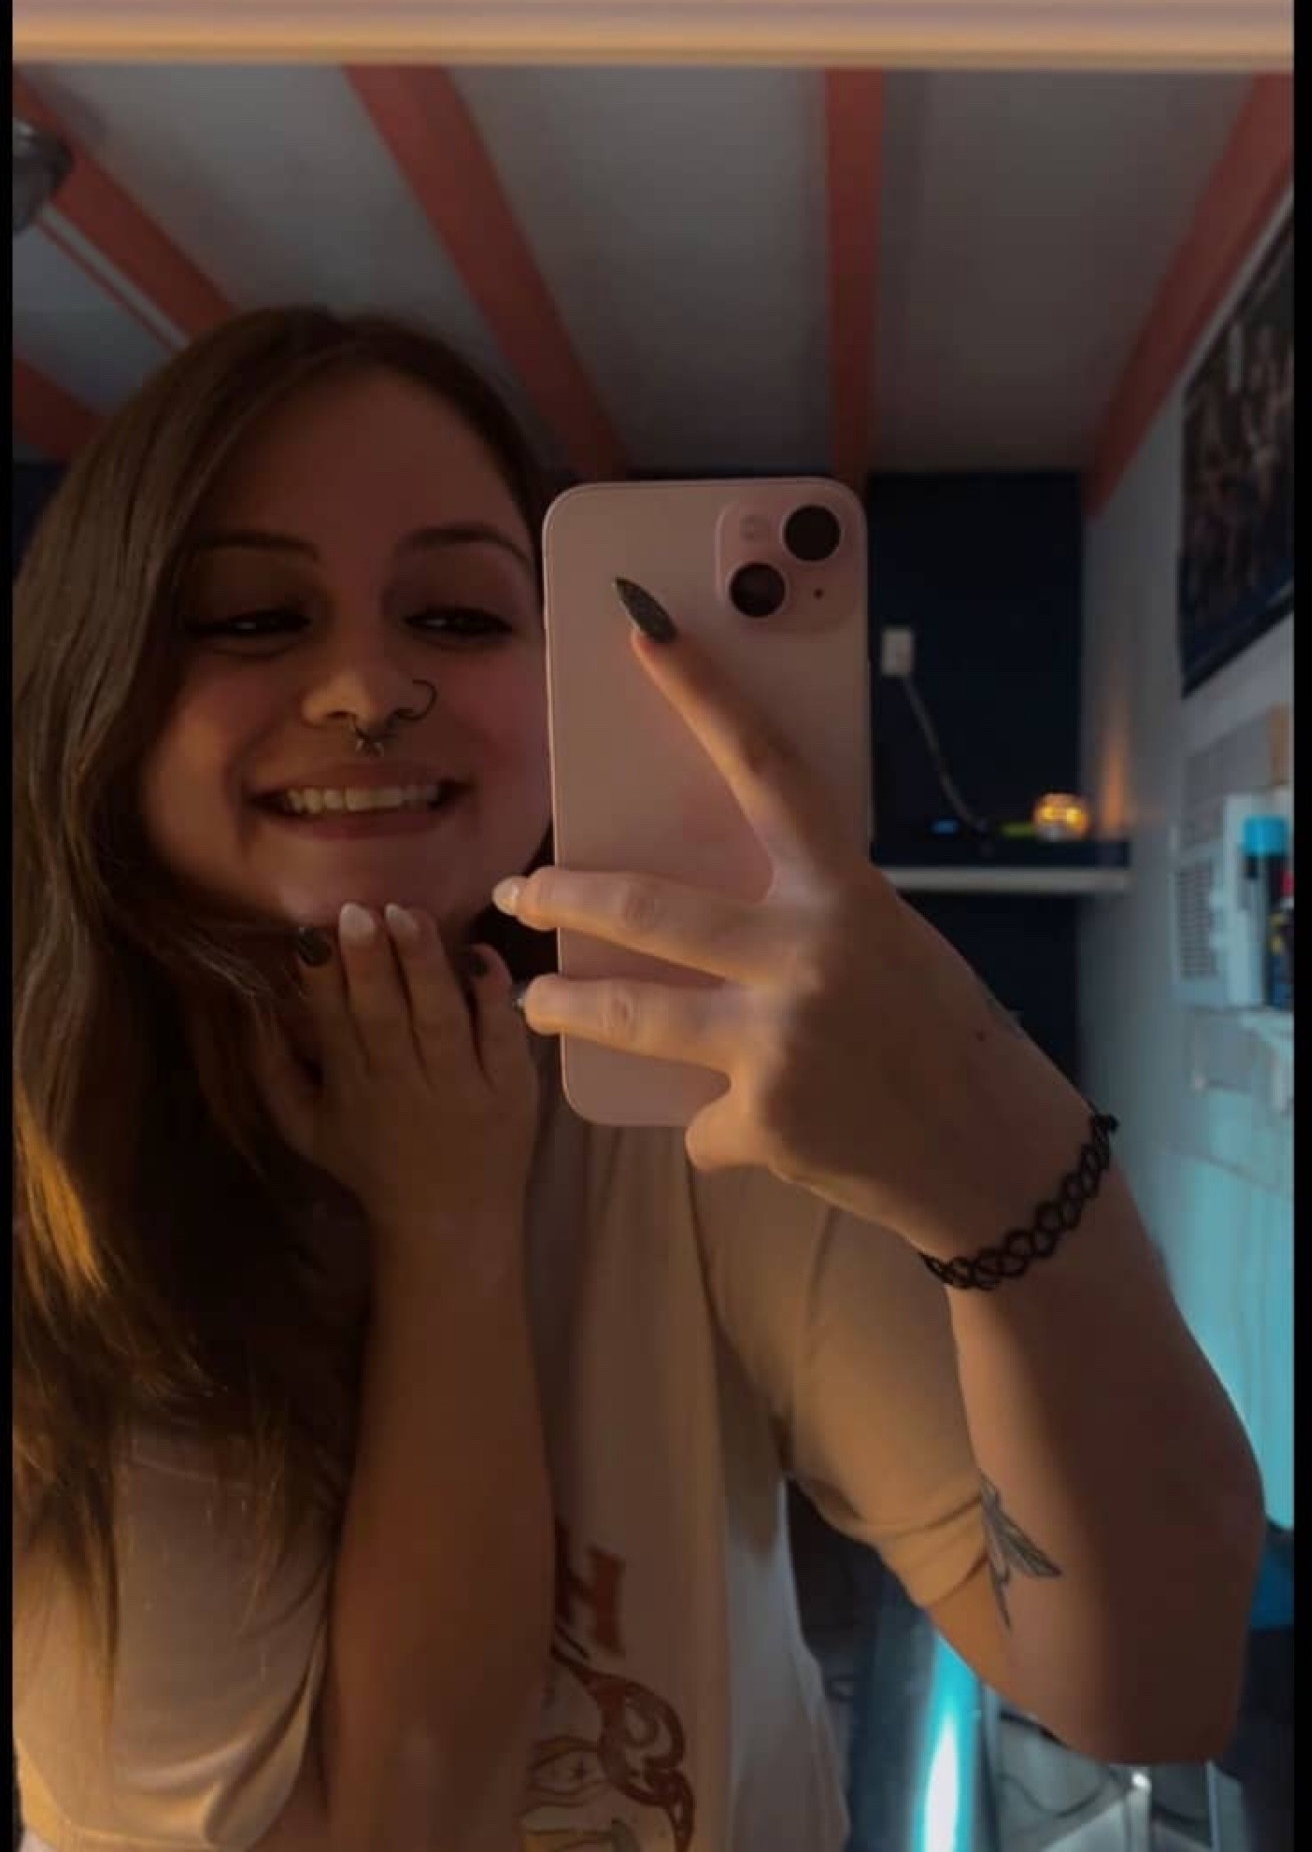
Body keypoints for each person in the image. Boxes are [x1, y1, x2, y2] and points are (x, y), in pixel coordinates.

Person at [13, 308, 1266, 1852]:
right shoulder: (57, 1206)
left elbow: (1152, 1689)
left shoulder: (681, 1105)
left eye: (458, 616)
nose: (366, 689)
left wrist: (1003, 1158)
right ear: (98, 685)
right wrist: (449, 1233)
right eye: (254, 619)